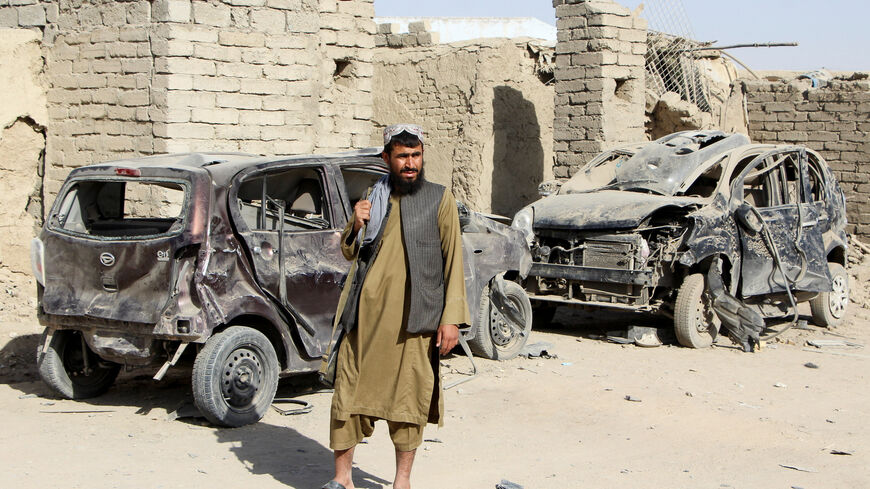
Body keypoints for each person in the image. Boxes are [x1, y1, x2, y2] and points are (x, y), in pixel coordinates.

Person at [321, 123, 469, 489]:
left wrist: (451, 319)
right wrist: (355, 224)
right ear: (386, 158)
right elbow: (350, 250)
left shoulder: (439, 198)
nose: (410, 163)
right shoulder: (373, 195)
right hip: (366, 318)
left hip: (415, 321)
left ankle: (401, 482)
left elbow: (454, 261)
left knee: (408, 402)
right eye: (402, 156)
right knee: (348, 394)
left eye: (416, 155)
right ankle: (342, 480)